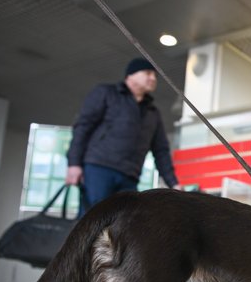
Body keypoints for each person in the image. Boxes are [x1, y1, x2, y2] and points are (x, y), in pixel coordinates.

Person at [66, 57, 181, 214]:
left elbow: (161, 150)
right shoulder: (106, 93)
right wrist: (74, 163)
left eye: (155, 75)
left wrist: (173, 184)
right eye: (148, 73)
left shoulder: (153, 113)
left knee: (123, 225)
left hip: (130, 176)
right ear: (131, 75)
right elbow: (83, 127)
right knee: (93, 219)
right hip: (99, 168)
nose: (153, 78)